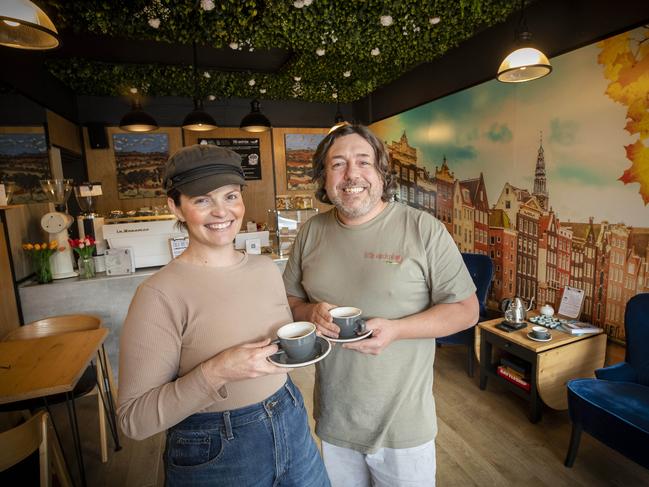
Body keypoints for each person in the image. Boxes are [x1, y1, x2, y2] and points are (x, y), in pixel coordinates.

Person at [117, 144, 330, 487]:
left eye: (231, 196)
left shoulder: (265, 269)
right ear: (175, 206)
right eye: (202, 199)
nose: (222, 212)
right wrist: (216, 371)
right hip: (214, 447)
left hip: (290, 415)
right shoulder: (158, 294)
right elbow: (134, 420)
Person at [283, 125, 479, 486]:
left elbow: (467, 310)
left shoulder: (424, 229)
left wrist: (398, 329)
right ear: (324, 178)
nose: (351, 174)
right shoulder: (311, 232)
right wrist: (309, 313)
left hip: (403, 425)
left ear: (381, 173)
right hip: (335, 419)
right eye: (338, 164)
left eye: (363, 162)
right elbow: (291, 301)